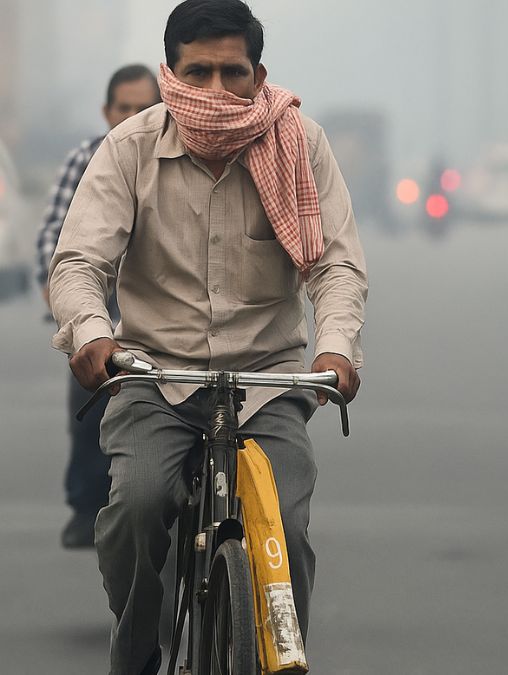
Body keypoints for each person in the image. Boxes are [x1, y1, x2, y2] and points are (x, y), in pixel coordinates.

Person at [46, 2, 368, 673]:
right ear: (171, 74)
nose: (218, 92)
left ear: (260, 75)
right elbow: (80, 262)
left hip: (267, 382)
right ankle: (136, 652)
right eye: (199, 72)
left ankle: (283, 656)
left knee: (289, 530)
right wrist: (92, 333)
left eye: (233, 72)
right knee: (137, 508)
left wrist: (334, 347)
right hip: (153, 376)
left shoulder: (298, 144)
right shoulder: (131, 147)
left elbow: (335, 263)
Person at [35, 64, 161, 550]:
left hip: (158, 298)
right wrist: (67, 298)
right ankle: (87, 502)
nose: (132, 117)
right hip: (101, 297)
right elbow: (56, 236)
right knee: (88, 395)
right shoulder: (87, 160)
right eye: (123, 108)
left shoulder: (177, 154)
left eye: (143, 108)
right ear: (107, 112)